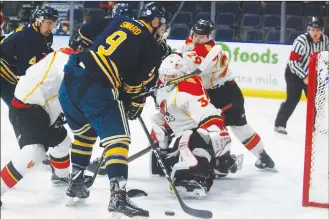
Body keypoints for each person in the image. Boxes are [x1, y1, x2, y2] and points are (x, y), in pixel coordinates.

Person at [58, 2, 167, 217]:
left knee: (85, 133)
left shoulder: (122, 21)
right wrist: (134, 102)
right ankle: (118, 196)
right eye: (162, 25)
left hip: (70, 77)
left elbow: (84, 32)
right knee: (118, 138)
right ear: (154, 22)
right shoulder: (152, 46)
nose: (163, 30)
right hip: (98, 86)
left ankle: (76, 182)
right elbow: (134, 83)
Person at [0, 33, 84, 207]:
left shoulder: (67, 57)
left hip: (41, 111)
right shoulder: (66, 59)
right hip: (26, 110)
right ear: (81, 48)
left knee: (62, 142)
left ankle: (60, 178)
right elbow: (79, 85)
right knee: (34, 152)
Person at [180, 19, 275, 172]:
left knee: (230, 127)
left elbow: (181, 60)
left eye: (202, 37)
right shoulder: (195, 43)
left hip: (226, 94)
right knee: (212, 127)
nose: (197, 39)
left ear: (209, 37)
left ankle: (230, 161)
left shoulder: (206, 50)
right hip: (214, 92)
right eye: (195, 35)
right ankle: (229, 159)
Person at [150, 54, 237, 197]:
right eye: (164, 75)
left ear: (181, 75)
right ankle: (220, 162)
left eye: (171, 77)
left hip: (198, 130)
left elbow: (206, 111)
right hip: (180, 129)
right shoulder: (163, 86)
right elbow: (167, 112)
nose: (166, 80)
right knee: (168, 159)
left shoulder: (187, 90)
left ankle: (201, 177)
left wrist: (215, 128)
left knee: (191, 144)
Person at [274, 17, 329, 134]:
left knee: (316, 100)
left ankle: (316, 126)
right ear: (308, 29)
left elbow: (326, 59)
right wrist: (304, 76)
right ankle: (279, 124)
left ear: (322, 30)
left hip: (312, 75)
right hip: (294, 73)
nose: (315, 32)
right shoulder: (301, 40)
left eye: (318, 29)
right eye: (312, 29)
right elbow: (293, 62)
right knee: (293, 99)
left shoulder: (325, 41)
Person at [0, 4, 58, 107]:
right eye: (49, 23)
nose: (51, 28)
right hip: (3, 74)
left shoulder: (43, 35)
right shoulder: (27, 39)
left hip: (13, 67)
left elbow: (44, 53)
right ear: (38, 21)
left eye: (53, 24)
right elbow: (25, 75)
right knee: (20, 108)